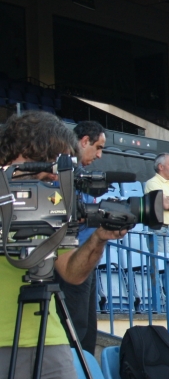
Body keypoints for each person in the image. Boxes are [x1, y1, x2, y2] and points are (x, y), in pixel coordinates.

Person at [0, 112, 126, 379]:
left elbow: (70, 272)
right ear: (24, 152)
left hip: (50, 340)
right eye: (49, 164)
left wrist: (99, 238)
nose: (54, 175)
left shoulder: (54, 197)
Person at [56, 120, 106, 354]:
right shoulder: (63, 174)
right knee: (74, 326)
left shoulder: (82, 177)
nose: (99, 155)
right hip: (69, 256)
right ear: (84, 141)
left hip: (87, 256)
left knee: (87, 329)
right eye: (98, 147)